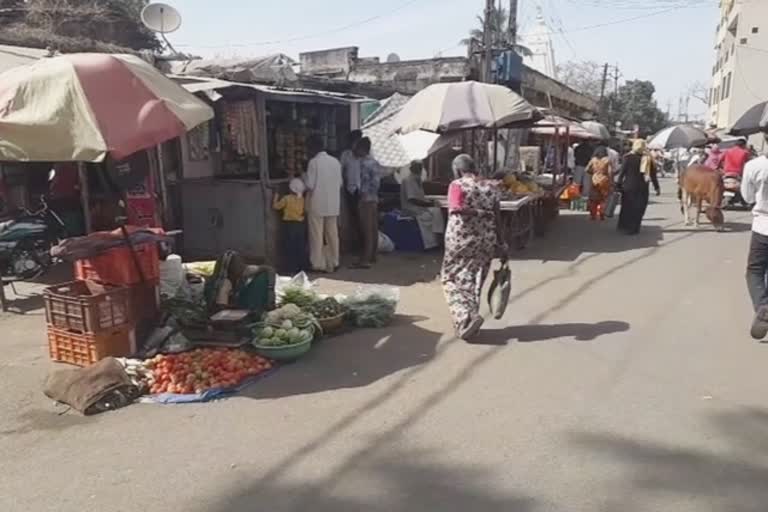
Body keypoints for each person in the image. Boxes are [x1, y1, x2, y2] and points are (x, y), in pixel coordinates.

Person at [441, 154, 504, 340]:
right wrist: (502, 243)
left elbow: (456, 208)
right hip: (486, 240)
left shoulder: (457, 185)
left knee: (451, 279)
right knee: (475, 278)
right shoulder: (490, 187)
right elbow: (498, 216)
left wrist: (477, 212)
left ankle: (466, 316)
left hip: (460, 240)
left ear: (458, 170)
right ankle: (468, 323)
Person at [741, 137, 768, 339]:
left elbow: (748, 197)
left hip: (763, 226)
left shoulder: (754, 166)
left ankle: (763, 306)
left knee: (755, 271)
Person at [304, 136, 342, 273]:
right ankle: (334, 260)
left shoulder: (313, 163)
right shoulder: (335, 162)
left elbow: (309, 185)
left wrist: (303, 178)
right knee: (332, 234)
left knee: (316, 235)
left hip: (317, 203)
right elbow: (340, 183)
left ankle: (317, 263)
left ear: (312, 148)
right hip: (333, 204)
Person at [616, 139, 659, 235]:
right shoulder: (648, 159)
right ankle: (635, 227)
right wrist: (657, 187)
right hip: (642, 187)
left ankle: (624, 225)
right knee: (639, 208)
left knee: (627, 207)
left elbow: (622, 173)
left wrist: (618, 185)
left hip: (628, 187)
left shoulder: (627, 158)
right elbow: (653, 175)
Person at [400, 160, 445, 250]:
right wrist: (429, 204)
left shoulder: (417, 179)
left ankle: (437, 238)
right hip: (411, 209)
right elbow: (412, 199)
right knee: (435, 213)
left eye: (420, 167)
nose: (419, 170)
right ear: (412, 169)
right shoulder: (409, 180)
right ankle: (434, 241)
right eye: (418, 168)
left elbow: (420, 197)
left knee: (437, 211)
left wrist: (429, 202)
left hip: (419, 207)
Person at [354, 137, 381, 268]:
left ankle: (365, 259)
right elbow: (376, 183)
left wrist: (362, 195)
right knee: (373, 228)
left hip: (366, 200)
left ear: (361, 149)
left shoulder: (364, 163)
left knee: (366, 229)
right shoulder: (374, 162)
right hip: (374, 198)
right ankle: (373, 256)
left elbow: (364, 183)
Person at [273, 178, 307, 274]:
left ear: (291, 189)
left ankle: (288, 269)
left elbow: (276, 206)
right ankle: (300, 268)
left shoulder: (286, 198)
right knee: (299, 247)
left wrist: (276, 195)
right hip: (300, 225)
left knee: (289, 247)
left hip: (289, 225)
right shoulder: (302, 199)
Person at [340, 130, 363, 247]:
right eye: (354, 141)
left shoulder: (365, 154)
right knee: (354, 217)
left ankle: (363, 244)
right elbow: (340, 171)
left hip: (363, 190)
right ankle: (357, 243)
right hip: (350, 191)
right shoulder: (346, 155)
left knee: (363, 218)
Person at [585, 146, 614, 221]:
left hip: (595, 179)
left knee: (593, 199)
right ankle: (601, 214)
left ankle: (593, 215)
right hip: (604, 180)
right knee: (603, 199)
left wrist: (593, 173)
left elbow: (587, 169)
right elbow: (610, 172)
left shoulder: (593, 160)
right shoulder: (607, 160)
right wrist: (612, 182)